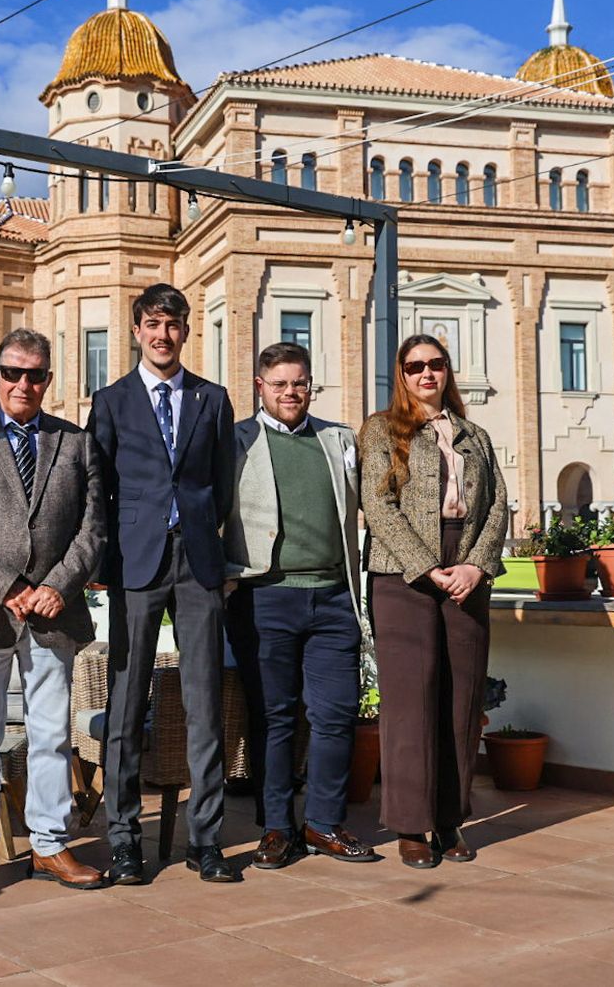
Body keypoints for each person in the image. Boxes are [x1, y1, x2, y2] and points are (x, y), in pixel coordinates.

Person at [0, 328, 109, 902]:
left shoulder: (75, 442)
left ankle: (50, 843)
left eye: (34, 374)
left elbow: (93, 527)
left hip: (54, 613)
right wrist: (5, 586)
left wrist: (58, 585)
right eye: (12, 372)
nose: (22, 384)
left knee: (52, 734)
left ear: (48, 380)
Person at [87, 283, 237, 884]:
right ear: (136, 331)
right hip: (134, 562)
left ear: (185, 331)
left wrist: (201, 534)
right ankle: (124, 840)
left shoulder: (212, 399)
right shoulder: (111, 401)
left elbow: (221, 484)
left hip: (198, 561)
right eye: (152, 324)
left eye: (172, 324)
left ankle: (206, 841)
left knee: (204, 704)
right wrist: (101, 563)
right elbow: (98, 488)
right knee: (125, 705)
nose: (163, 334)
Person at [358, 333, 507, 869]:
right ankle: (409, 825)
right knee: (410, 701)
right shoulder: (381, 430)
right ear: (401, 374)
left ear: (448, 371)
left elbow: (498, 505)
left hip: (465, 570)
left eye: (435, 364)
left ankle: (449, 820)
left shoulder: (475, 435)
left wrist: (476, 565)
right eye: (414, 366)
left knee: (462, 700)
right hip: (402, 575)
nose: (426, 374)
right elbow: (377, 504)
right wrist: (425, 565)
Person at [225, 342, 375, 869]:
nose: (291, 392)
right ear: (260, 387)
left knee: (336, 714)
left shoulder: (338, 439)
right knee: (274, 718)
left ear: (311, 386)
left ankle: (323, 823)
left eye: (300, 382)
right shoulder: (236, 441)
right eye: (280, 383)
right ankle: (276, 828)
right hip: (265, 596)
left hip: (334, 597)